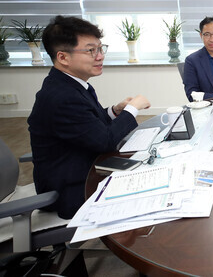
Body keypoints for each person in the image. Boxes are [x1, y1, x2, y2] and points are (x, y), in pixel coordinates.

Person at [28, 15, 151, 219]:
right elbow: (106, 141)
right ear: (63, 57)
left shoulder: (70, 84)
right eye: (91, 50)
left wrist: (114, 111)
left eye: (101, 48)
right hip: (71, 188)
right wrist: (133, 109)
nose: (100, 56)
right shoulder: (61, 96)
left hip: (84, 168)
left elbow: (86, 124)